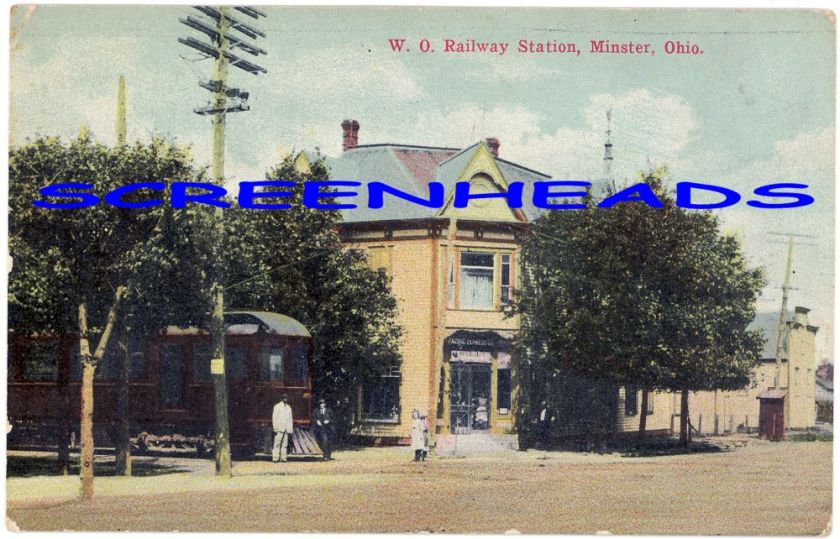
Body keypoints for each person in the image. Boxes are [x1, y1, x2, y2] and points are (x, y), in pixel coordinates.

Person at [272, 393, 294, 463]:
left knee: (285, 444)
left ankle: (283, 458)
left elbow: (290, 419)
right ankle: (275, 458)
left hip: (286, 429)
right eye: (284, 398)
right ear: (281, 399)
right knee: (277, 444)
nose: (285, 399)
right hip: (279, 428)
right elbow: (274, 418)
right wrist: (275, 428)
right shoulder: (277, 406)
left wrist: (290, 429)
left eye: (286, 398)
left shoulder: (288, 407)